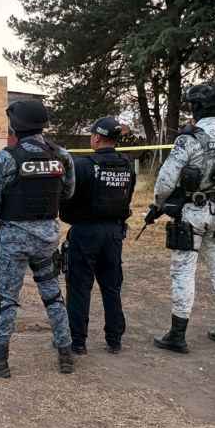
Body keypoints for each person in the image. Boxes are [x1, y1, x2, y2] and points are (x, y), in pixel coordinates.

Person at [0, 99, 76, 377]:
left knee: (7, 298)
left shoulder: (6, 158)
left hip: (12, 240)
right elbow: (67, 193)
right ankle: (66, 354)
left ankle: (0, 359)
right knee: (53, 294)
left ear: (15, 125)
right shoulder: (62, 156)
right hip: (47, 239)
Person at [152, 81, 215, 353]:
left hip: (192, 212)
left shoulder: (189, 138)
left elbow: (164, 182)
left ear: (197, 106)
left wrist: (158, 204)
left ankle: (177, 334)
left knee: (184, 271)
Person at [60, 117, 135, 354]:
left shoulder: (83, 165)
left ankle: (78, 341)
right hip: (113, 233)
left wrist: (76, 221)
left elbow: (66, 202)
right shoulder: (127, 164)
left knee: (80, 287)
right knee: (111, 287)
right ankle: (114, 339)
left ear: (97, 137)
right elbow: (127, 197)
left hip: (85, 232)